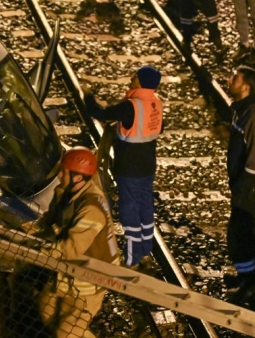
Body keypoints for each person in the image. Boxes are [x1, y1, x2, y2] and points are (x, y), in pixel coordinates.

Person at [32, 147, 121, 338]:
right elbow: (54, 217)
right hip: (70, 267)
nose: (59, 174)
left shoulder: (91, 210)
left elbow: (71, 249)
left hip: (91, 275)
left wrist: (41, 250)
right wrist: (40, 227)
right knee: (47, 310)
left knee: (67, 332)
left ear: (78, 178)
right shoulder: (68, 192)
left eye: (63, 171)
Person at [85, 66, 164, 270]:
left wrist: (87, 96)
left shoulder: (131, 106)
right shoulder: (156, 103)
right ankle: (146, 252)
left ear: (142, 81)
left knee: (130, 211)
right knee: (145, 208)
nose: (131, 78)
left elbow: (99, 114)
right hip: (148, 167)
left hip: (129, 168)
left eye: (135, 76)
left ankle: (132, 260)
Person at [224, 65, 255, 308]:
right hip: (241, 184)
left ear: (246, 87)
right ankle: (246, 278)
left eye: (234, 77)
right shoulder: (240, 110)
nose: (229, 79)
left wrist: (244, 184)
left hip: (249, 186)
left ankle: (253, 287)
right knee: (239, 235)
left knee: (242, 236)